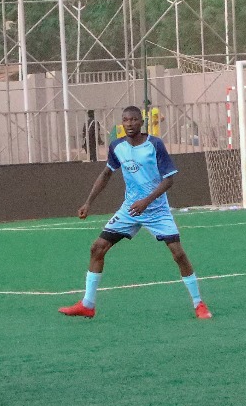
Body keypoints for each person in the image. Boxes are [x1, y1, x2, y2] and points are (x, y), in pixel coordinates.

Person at [59, 106, 212, 320]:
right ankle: (87, 304)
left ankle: (199, 304)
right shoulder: (117, 146)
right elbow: (106, 174)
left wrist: (146, 201)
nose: (129, 124)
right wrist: (88, 202)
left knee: (178, 254)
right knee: (97, 248)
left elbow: (169, 179)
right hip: (130, 209)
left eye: (133, 120)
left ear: (141, 122)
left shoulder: (154, 144)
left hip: (157, 210)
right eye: (125, 120)